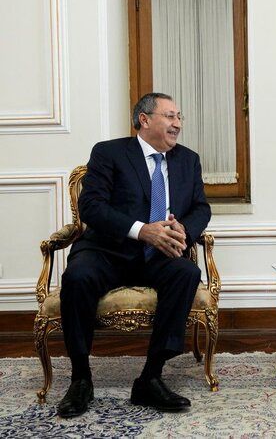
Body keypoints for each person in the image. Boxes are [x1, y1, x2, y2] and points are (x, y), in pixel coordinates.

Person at [57, 93, 211, 418]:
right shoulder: (109, 153)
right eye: (170, 116)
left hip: (159, 255)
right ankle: (81, 379)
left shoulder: (188, 160)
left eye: (179, 117)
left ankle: (150, 378)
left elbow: (201, 207)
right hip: (107, 250)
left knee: (186, 273)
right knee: (77, 277)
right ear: (144, 119)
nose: (178, 124)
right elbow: (91, 207)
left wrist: (183, 230)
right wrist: (142, 230)